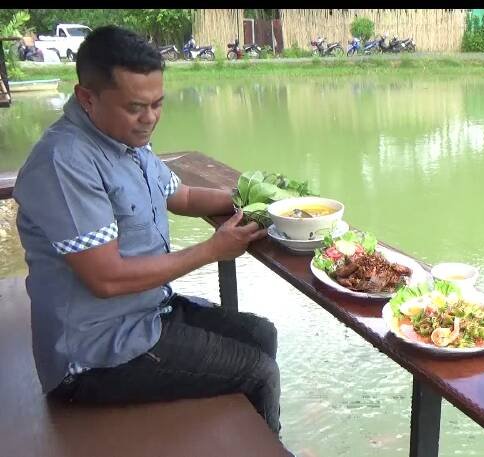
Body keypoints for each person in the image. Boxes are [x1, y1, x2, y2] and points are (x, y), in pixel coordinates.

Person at [12, 25, 282, 434]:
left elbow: (182, 196)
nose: (150, 118)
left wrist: (259, 201)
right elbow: (106, 279)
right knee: (259, 372)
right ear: (87, 98)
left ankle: (245, 435)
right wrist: (212, 250)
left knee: (261, 334)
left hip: (147, 312)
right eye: (136, 107)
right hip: (93, 354)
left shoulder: (127, 141)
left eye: (158, 104)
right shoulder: (64, 162)